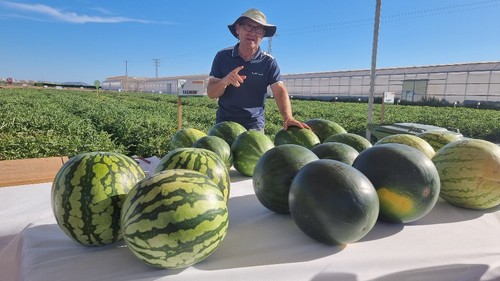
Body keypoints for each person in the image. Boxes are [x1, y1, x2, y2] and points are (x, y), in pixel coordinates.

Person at [207, 8, 310, 131]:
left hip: (254, 128)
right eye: (248, 26)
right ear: (237, 29)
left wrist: (288, 117)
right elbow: (211, 93)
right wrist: (225, 81)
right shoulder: (222, 56)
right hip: (224, 125)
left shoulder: (268, 62)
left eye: (258, 29)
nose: (253, 32)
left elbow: (279, 90)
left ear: (263, 35)